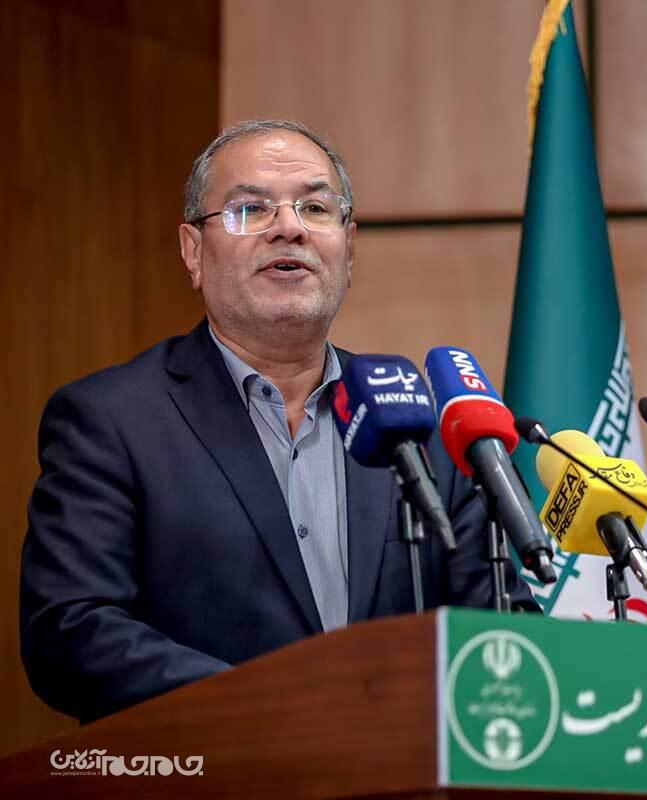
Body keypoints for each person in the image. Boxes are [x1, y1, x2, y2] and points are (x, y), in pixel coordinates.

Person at [20, 119, 538, 723]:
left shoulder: (426, 424)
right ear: (193, 251)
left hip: (406, 764)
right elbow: (71, 631)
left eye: (315, 208)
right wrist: (282, 707)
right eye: (250, 210)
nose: (290, 227)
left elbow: (498, 632)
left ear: (349, 247)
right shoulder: (112, 420)